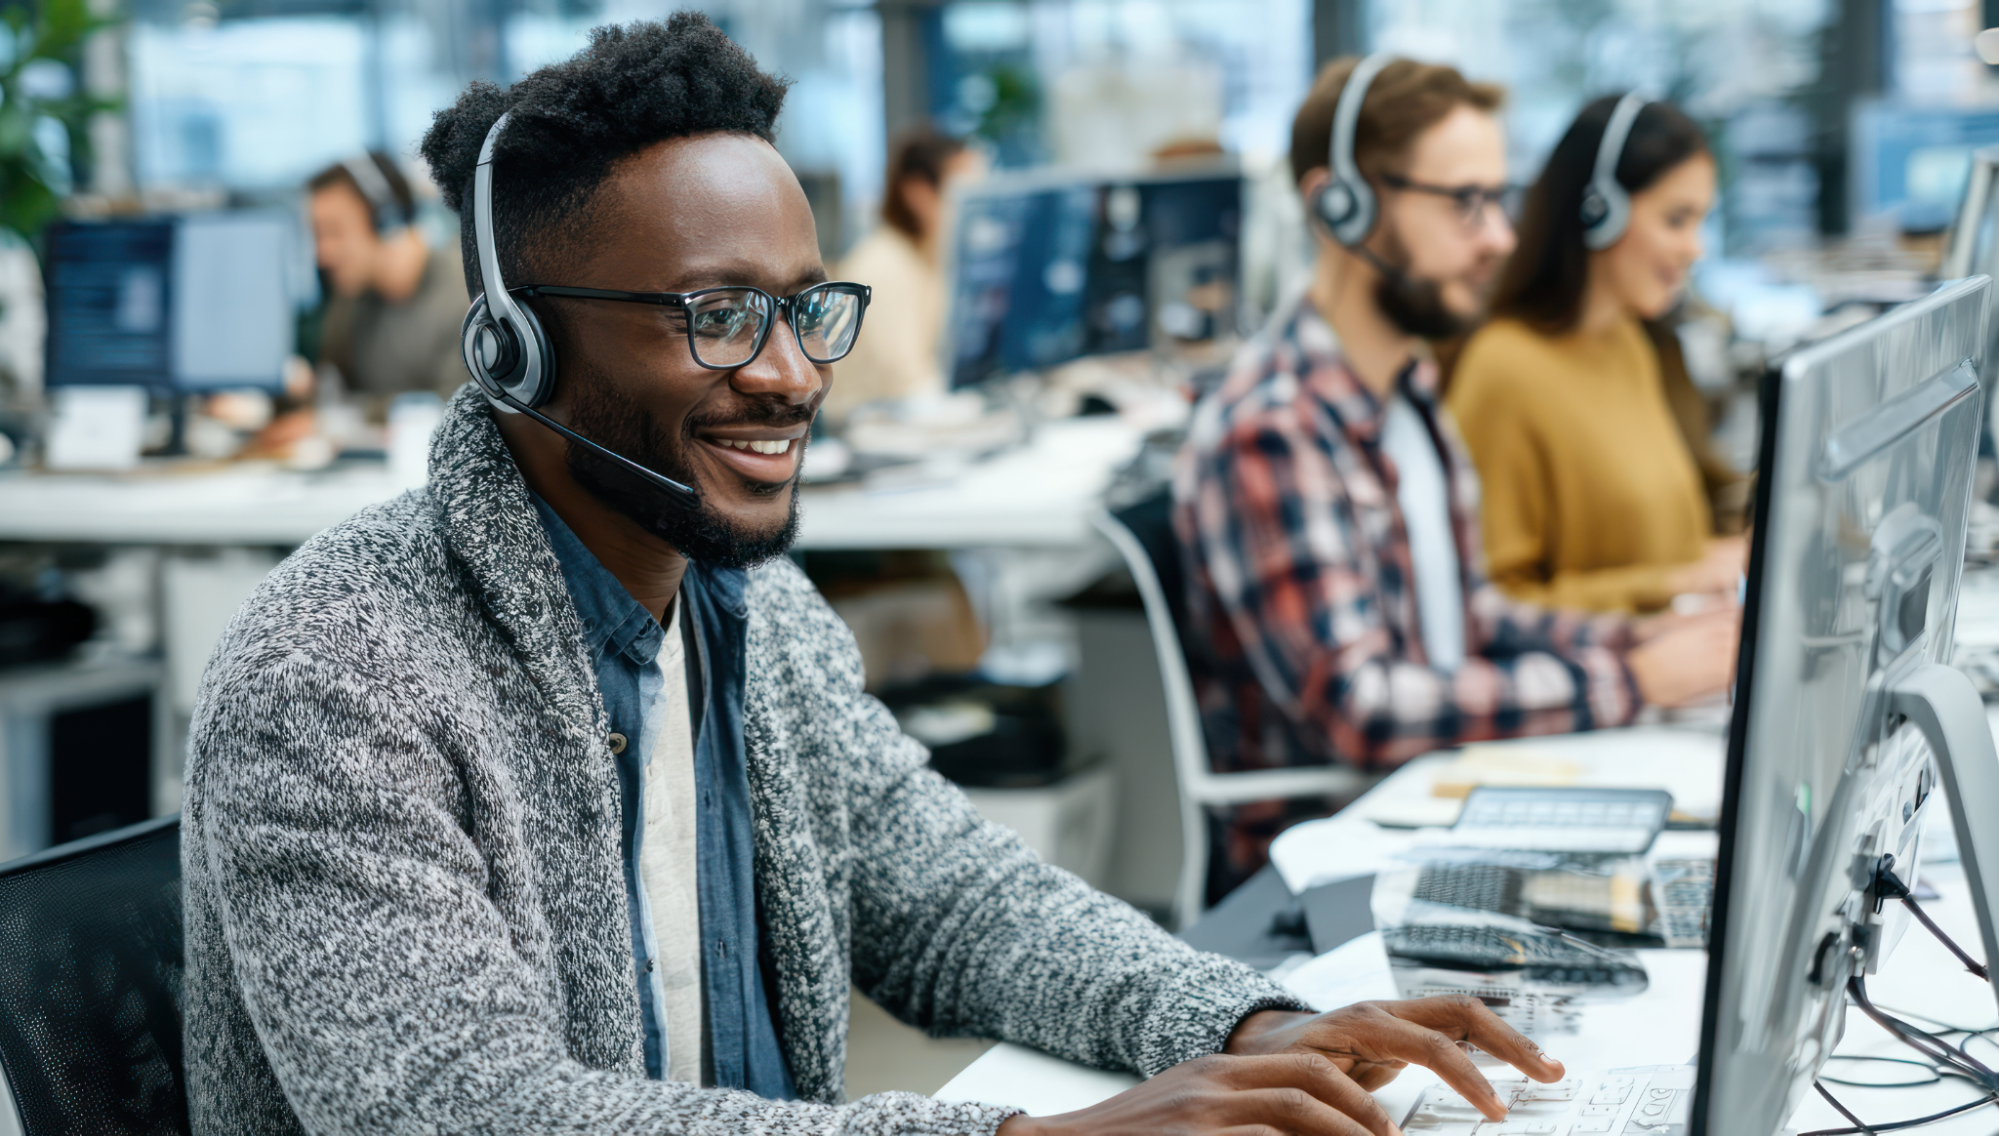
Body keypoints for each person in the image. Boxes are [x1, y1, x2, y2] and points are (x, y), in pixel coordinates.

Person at [180, 19, 1569, 1136]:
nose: (789, 373)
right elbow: (469, 1111)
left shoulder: (748, 612)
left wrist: (1247, 1026)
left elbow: (953, 900)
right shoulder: (334, 673)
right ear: (517, 351)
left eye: (802, 308)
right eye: (716, 317)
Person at [1172, 56, 1740, 889]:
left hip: (1437, 818)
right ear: (1341, 205)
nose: (1499, 238)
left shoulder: (1406, 392)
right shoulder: (1272, 427)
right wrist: (1628, 680)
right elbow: (1361, 708)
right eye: (1465, 203)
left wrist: (1653, 638)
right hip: (1332, 880)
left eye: (1498, 200)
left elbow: (1468, 613)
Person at [1446, 95, 1747, 613]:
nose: (1694, 247)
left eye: (1699, 221)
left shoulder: (1628, 341)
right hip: (1609, 679)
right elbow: (1497, 604)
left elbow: (1662, 543)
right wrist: (1674, 585)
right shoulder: (1504, 369)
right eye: (1676, 220)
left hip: (1682, 665)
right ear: (1598, 211)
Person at [826, 127, 983, 422]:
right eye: (965, 193)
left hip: (912, 426)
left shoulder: (934, 258)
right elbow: (907, 385)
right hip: (868, 433)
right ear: (919, 193)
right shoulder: (882, 266)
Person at [306, 150, 470, 400]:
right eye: (317, 236)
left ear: (386, 220)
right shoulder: (352, 302)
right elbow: (330, 395)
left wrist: (351, 417)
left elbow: (457, 414)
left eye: (334, 232)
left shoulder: (464, 295)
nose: (322, 255)